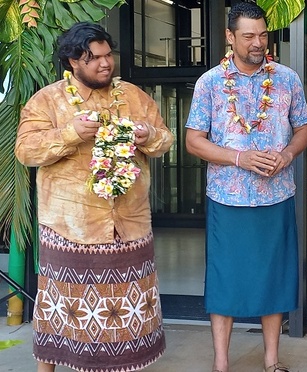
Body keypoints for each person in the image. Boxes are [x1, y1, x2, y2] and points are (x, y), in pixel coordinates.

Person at [15, 22, 173, 372]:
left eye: (107, 56)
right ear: (73, 61)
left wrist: (148, 135)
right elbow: (26, 151)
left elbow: (165, 140)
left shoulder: (133, 96)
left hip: (128, 224)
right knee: (61, 311)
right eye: (94, 58)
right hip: (70, 226)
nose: (105, 64)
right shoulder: (48, 100)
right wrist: (70, 133)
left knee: (126, 314)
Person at [184, 3, 307, 372]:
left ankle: (272, 361)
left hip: (276, 195)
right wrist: (239, 158)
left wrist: (287, 155)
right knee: (226, 281)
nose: (258, 43)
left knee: (274, 277)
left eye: (263, 35)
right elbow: (194, 140)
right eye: (249, 36)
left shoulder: (287, 78)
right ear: (230, 37)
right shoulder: (210, 82)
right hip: (228, 198)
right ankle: (220, 364)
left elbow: (303, 128)